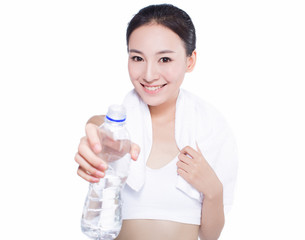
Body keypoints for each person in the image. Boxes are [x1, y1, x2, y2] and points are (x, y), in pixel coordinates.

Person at [75, 4, 238, 240]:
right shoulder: (120, 134)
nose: (149, 74)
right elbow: (103, 129)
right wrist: (94, 131)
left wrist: (213, 189)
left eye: (164, 59)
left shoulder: (210, 129)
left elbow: (210, 236)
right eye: (137, 58)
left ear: (190, 61)